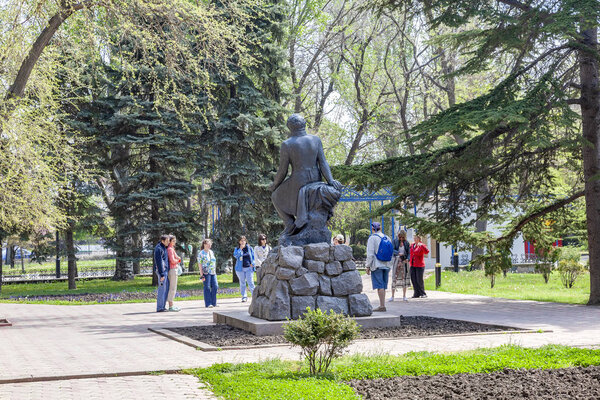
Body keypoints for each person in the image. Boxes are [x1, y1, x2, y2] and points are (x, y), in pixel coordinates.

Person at [365, 222, 394, 312]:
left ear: (372, 229)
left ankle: (382, 306)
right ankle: (382, 304)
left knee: (379, 285)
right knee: (384, 286)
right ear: (380, 228)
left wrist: (367, 266)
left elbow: (370, 254)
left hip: (377, 265)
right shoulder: (387, 238)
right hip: (387, 265)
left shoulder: (372, 238)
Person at [389, 230, 411, 302]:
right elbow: (392, 249)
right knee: (394, 277)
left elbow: (409, 253)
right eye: (400, 237)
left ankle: (404, 296)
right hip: (397, 260)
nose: (401, 238)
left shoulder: (407, 243)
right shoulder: (395, 241)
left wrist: (407, 259)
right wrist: (398, 253)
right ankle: (392, 296)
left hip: (404, 261)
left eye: (403, 237)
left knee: (404, 277)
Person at [233, 235, 255, 302]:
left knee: (250, 282)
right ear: (239, 242)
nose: (243, 242)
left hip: (249, 268)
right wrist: (240, 249)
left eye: (244, 240)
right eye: (241, 241)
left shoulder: (250, 248)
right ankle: (244, 296)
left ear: (246, 241)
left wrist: (253, 263)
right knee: (242, 283)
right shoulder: (237, 249)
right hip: (240, 269)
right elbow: (236, 256)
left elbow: (254, 257)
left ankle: (254, 296)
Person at [153, 234, 170, 312]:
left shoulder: (164, 247)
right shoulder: (158, 249)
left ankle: (163, 306)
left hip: (165, 270)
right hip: (161, 271)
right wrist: (162, 274)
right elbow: (159, 262)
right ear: (162, 241)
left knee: (165, 288)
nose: (168, 242)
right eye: (167, 241)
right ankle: (160, 307)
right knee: (162, 289)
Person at [198, 238, 218, 308]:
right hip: (206, 272)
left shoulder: (211, 252)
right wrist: (201, 275)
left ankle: (214, 302)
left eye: (210, 244)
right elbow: (199, 264)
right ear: (204, 245)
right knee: (207, 287)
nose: (209, 245)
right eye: (207, 244)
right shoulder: (201, 253)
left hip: (213, 272)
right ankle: (208, 303)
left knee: (215, 286)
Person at [165, 235, 181, 312]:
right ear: (170, 241)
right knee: (172, 288)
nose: (175, 242)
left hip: (173, 269)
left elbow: (176, 257)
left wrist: (177, 259)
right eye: (173, 241)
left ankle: (171, 304)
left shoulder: (171, 249)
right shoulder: (170, 249)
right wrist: (178, 260)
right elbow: (172, 260)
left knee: (173, 287)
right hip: (173, 269)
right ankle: (171, 306)